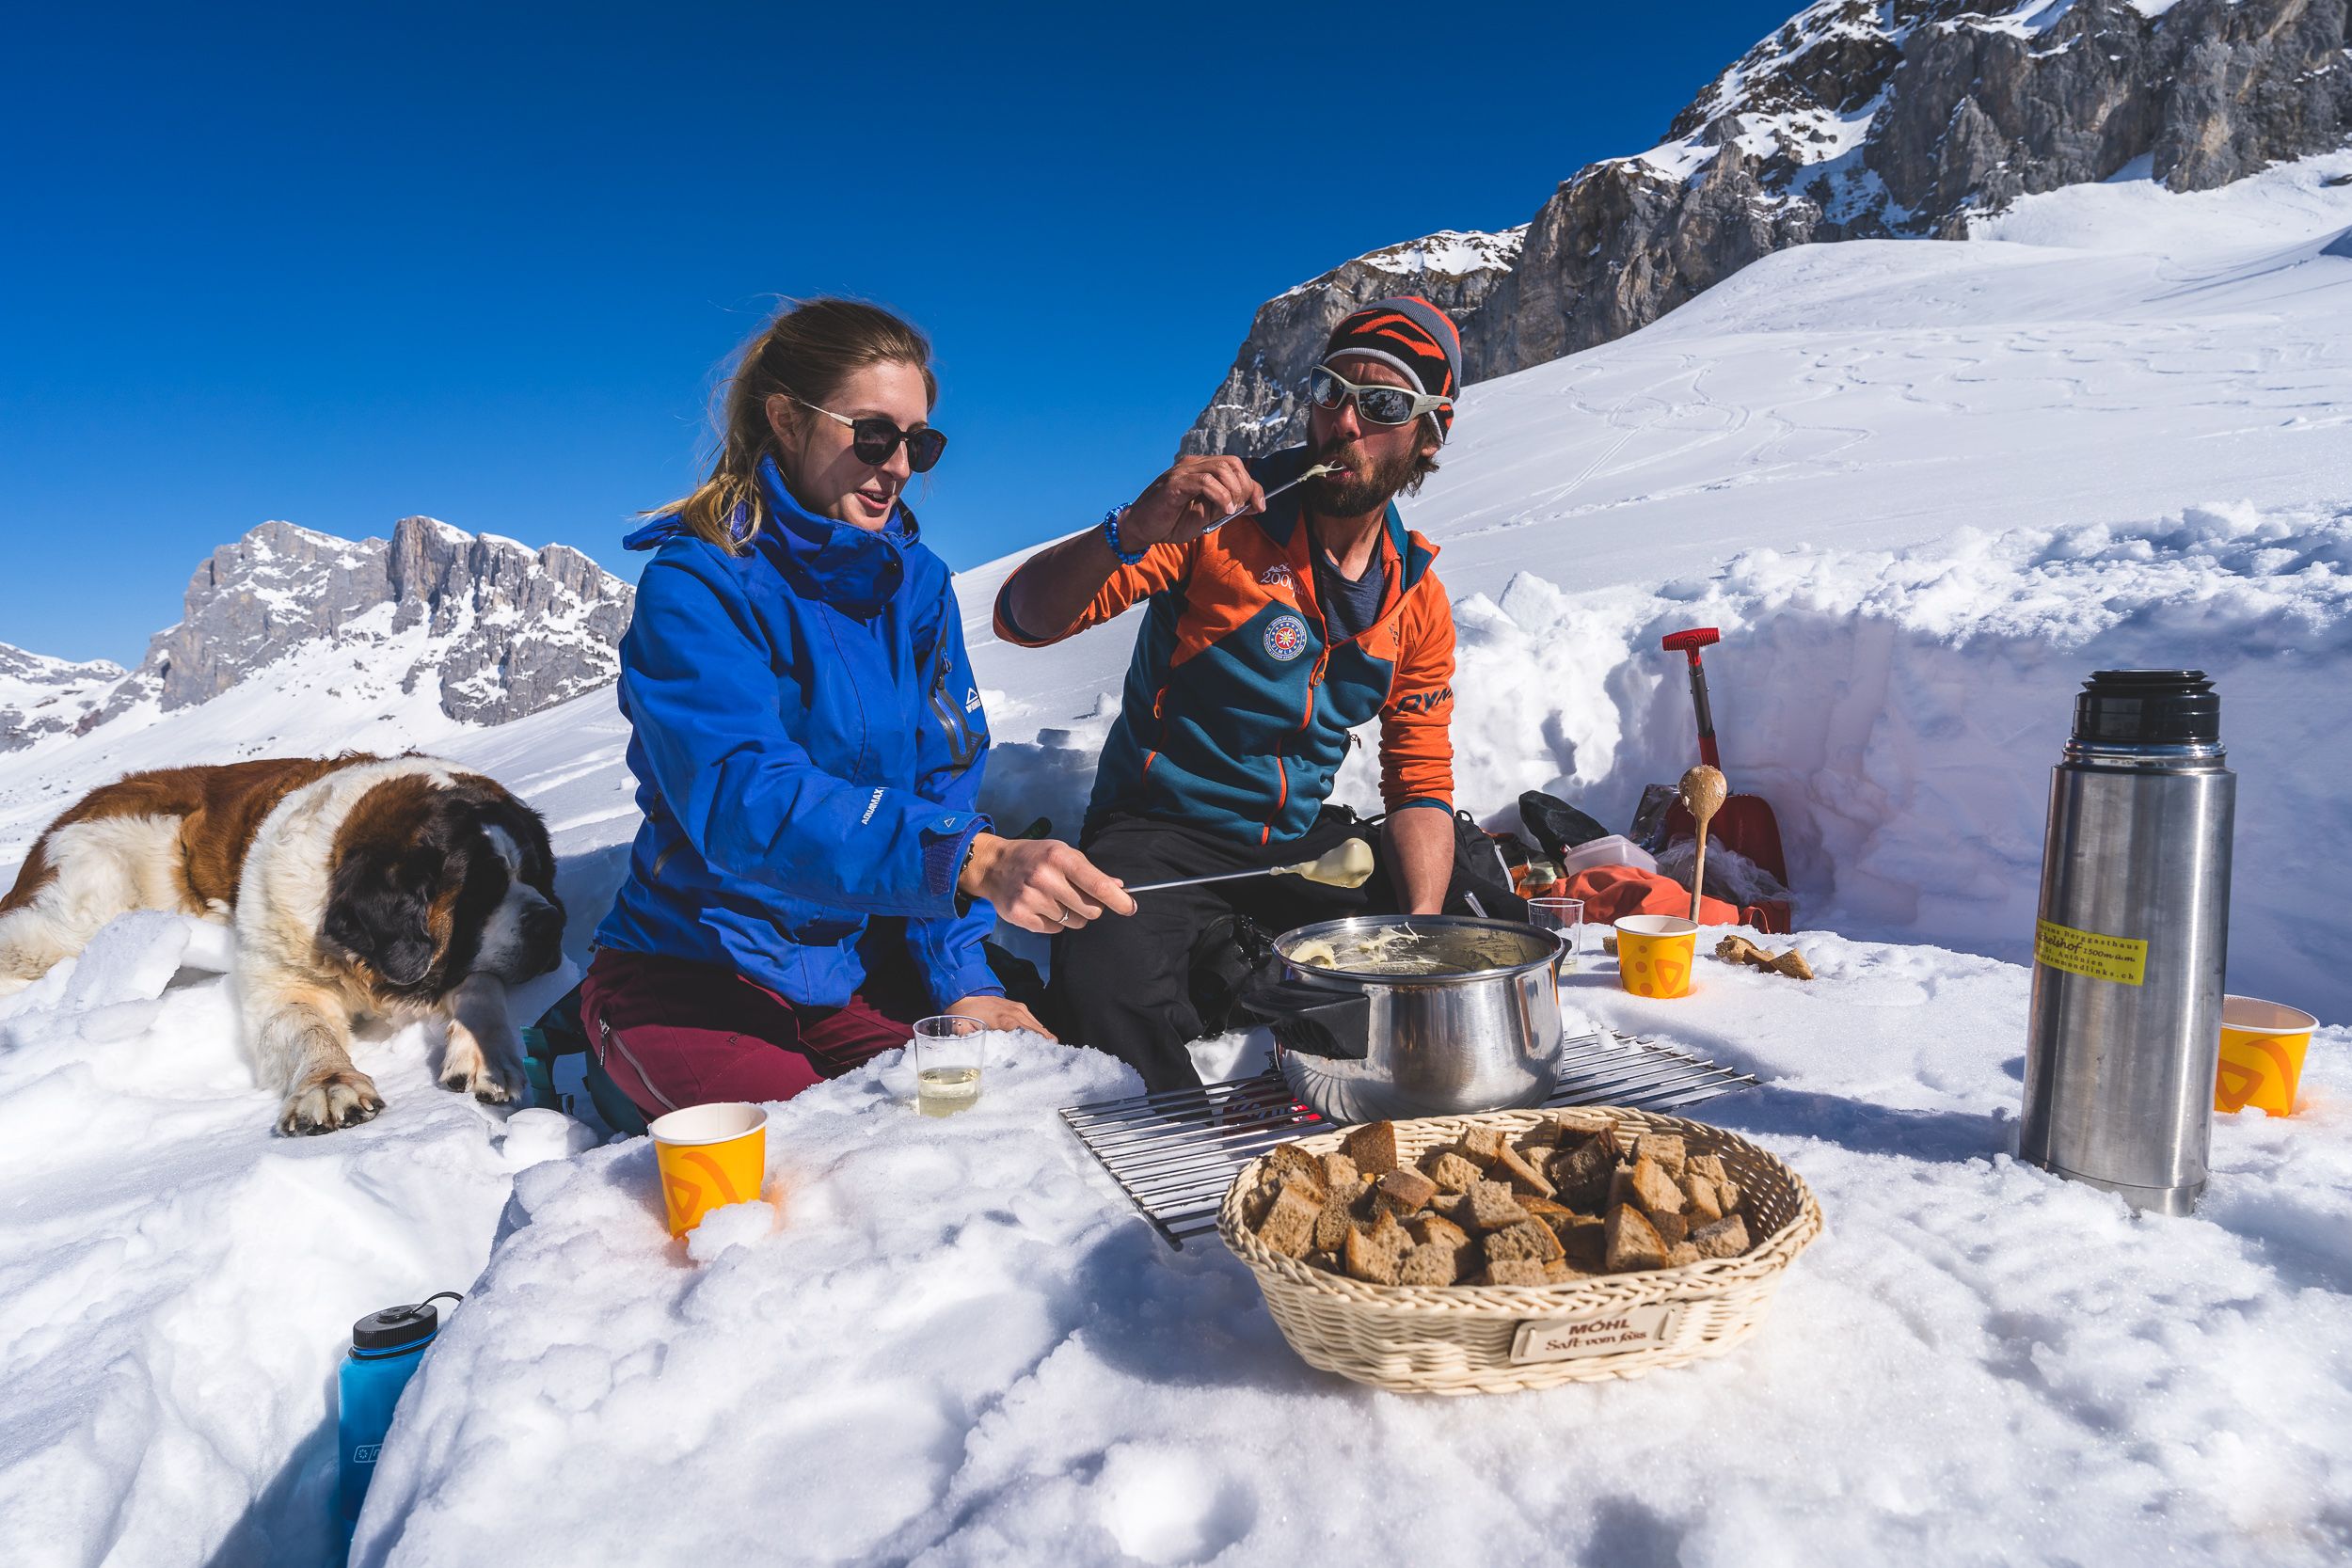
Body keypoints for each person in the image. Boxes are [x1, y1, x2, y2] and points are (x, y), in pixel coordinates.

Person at [582, 298, 1133, 1119]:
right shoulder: (697, 584)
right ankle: (598, 1049)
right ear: (786, 420)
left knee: (979, 1118)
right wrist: (969, 860)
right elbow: (743, 797)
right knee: (810, 1169)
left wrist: (965, 980)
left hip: (841, 963)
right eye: (874, 434)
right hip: (693, 963)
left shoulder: (917, 587)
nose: (901, 464)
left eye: (921, 442)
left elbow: (943, 785)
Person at [995, 295, 1467, 1090]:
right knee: (1106, 980)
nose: (1344, 423)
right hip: (1158, 832)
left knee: (1461, 912)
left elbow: (1419, 781)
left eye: (1382, 404)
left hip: (1291, 846)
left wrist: (1415, 937)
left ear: (1427, 434)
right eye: (1330, 392)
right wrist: (1131, 531)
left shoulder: (1416, 598)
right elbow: (1022, 619)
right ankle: (1188, 1135)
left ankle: (1237, 969)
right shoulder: (1215, 525)